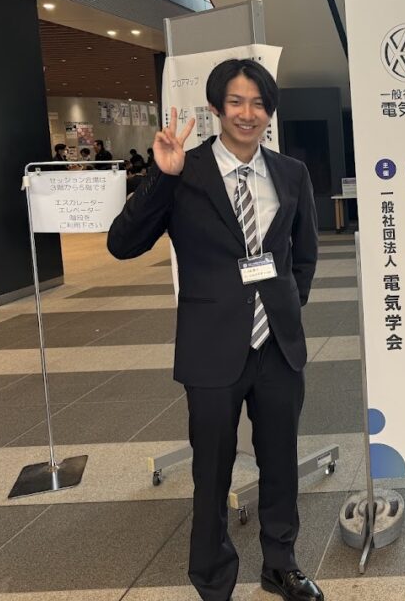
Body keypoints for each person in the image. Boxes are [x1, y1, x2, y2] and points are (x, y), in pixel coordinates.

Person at [107, 58, 322, 601]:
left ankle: (280, 564)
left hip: (277, 346)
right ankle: (212, 577)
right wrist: (161, 177)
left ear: (270, 111)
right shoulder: (186, 170)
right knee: (212, 471)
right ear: (215, 108)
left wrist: (285, 309)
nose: (248, 114)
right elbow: (122, 244)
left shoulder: (290, 173)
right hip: (211, 346)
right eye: (236, 102)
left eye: (259, 103)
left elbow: (303, 256)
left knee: (281, 463)